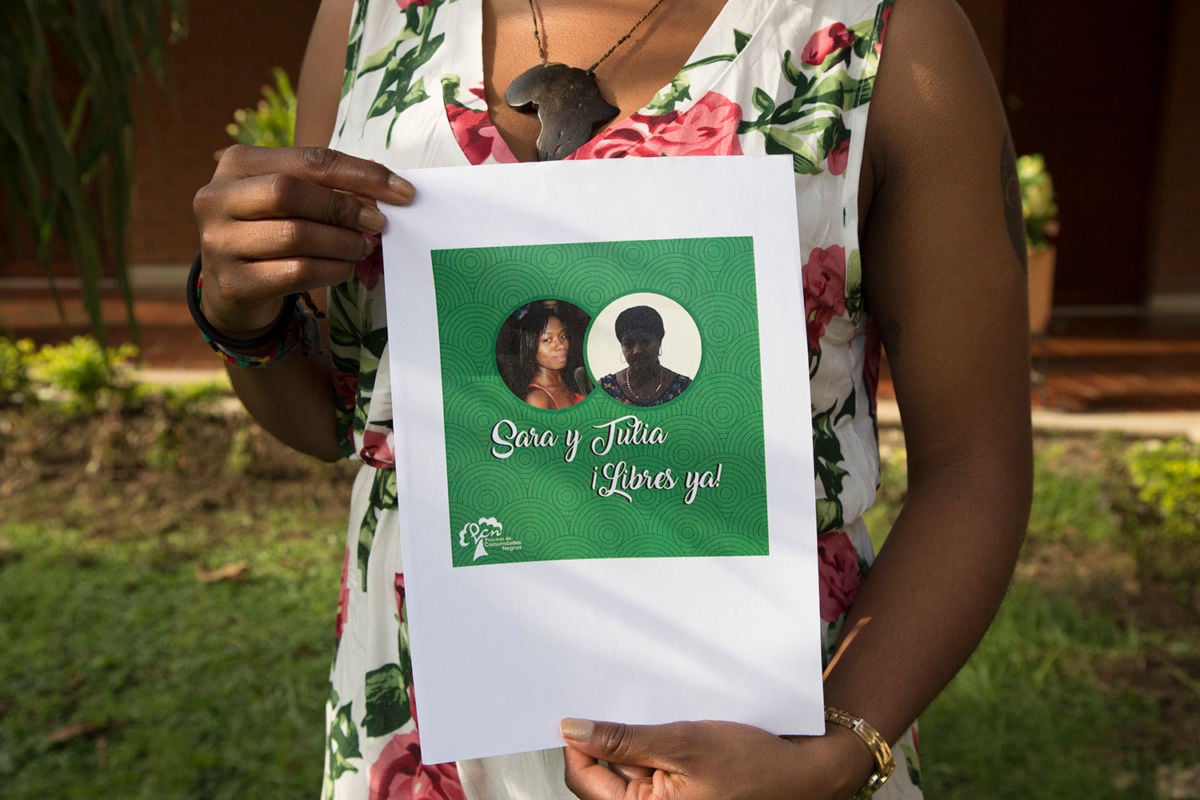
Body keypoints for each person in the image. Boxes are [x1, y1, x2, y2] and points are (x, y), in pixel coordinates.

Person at [190, 0, 1032, 798]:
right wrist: (239, 312)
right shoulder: (371, 19)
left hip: (763, 748)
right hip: (429, 733)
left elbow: (974, 465)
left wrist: (839, 751)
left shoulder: (885, 37)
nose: (630, 349)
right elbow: (345, 418)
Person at [499, 301, 586, 410]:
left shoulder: (569, 380)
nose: (560, 345)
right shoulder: (537, 398)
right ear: (530, 346)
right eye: (547, 340)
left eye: (562, 336)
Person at [599, 305, 691, 407]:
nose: (637, 351)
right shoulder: (605, 389)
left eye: (645, 342)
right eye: (628, 344)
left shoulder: (684, 388)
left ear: (659, 342)